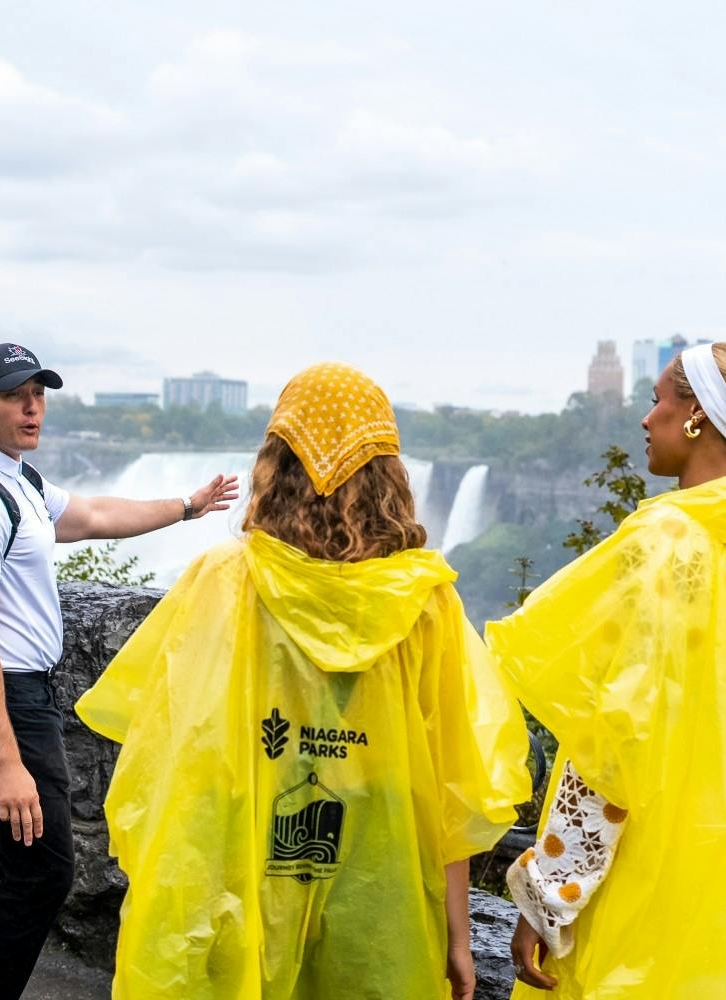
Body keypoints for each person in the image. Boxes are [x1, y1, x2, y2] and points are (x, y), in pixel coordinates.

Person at [74, 362, 530, 1000]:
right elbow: (454, 781)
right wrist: (456, 932)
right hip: (382, 873)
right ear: (389, 471)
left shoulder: (225, 581)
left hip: (244, 855)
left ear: (274, 464)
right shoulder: (426, 602)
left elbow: (175, 761)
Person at [496, 342, 726, 998]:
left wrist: (549, 896)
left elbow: (614, 741)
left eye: (657, 403)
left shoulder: (668, 544)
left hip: (663, 883)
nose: (646, 420)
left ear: (698, 417)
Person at [0, 343, 239, 1000]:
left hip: (19, 694)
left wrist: (186, 506)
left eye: (39, 393)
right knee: (42, 872)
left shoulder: (17, 480)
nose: (32, 406)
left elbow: (94, 517)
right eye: (14, 395)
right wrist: (8, 762)